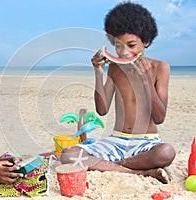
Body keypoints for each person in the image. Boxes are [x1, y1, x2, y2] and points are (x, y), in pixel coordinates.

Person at [60, 2, 176, 183]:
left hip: (146, 143)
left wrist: (145, 81)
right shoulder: (114, 69)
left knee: (166, 152)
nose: (124, 53)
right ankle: (140, 172)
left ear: (146, 41)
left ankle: (116, 165)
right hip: (116, 140)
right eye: (118, 46)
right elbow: (102, 109)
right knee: (68, 154)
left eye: (131, 45)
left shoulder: (160, 68)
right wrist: (98, 72)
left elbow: (159, 117)